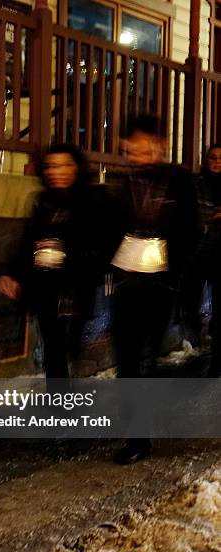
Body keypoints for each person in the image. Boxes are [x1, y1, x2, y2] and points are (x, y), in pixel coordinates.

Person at [108, 115, 197, 464]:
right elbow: (112, 230)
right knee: (127, 358)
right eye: (133, 144)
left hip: (161, 282)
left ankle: (141, 433)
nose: (139, 150)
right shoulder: (124, 184)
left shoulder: (179, 182)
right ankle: (137, 434)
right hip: (128, 280)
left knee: (146, 359)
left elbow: (190, 231)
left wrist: (177, 276)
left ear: (160, 143)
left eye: (146, 143)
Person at [0, 144, 104, 382]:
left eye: (65, 165)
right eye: (52, 166)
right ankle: (59, 405)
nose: (58, 171)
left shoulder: (92, 201)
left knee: (70, 344)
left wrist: (70, 253)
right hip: (46, 285)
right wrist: (13, 274)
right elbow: (27, 242)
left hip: (76, 286)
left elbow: (100, 243)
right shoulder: (43, 201)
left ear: (77, 167)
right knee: (53, 347)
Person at [187, 145, 221, 374]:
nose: (217, 162)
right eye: (213, 157)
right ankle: (197, 333)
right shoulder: (197, 183)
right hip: (199, 252)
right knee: (190, 301)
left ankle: (216, 359)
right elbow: (190, 214)